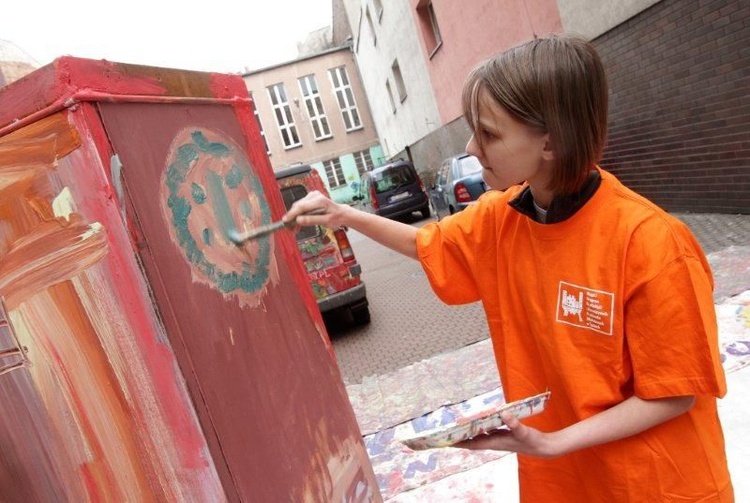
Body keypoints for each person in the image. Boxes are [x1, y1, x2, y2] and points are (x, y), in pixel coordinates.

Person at [283, 35, 733, 501]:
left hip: (656, 484)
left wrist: (555, 441)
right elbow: (430, 242)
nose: (470, 146)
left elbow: (673, 393)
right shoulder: (502, 217)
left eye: (490, 134)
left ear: (551, 142)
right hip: (564, 481)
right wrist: (343, 214)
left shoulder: (651, 242)